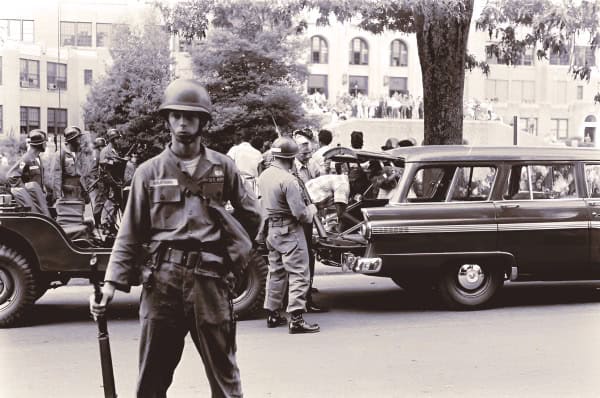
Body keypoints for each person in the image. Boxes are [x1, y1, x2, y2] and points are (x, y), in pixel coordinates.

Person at [90, 78, 262, 397]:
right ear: (167, 120)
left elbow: (252, 216)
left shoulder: (223, 167)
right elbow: (130, 232)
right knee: (152, 379)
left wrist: (229, 254)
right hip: (162, 282)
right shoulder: (149, 172)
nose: (183, 123)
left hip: (210, 279)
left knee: (225, 379)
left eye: (191, 117)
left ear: (202, 123)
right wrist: (111, 284)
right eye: (176, 116)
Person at [257, 136, 321, 333]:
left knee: (276, 272)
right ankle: (297, 318)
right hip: (290, 231)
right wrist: (312, 210)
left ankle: (273, 314)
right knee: (299, 273)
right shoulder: (289, 180)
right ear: (292, 158)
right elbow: (300, 213)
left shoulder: (264, 176)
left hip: (272, 231)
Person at [7, 129, 51, 216]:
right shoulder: (26, 158)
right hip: (32, 202)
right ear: (40, 144)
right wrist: (25, 191)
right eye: (45, 142)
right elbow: (12, 176)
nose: (46, 145)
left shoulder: (37, 158)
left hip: (39, 199)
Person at [52, 126, 87, 203]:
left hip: (79, 192)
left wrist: (85, 191)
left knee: (79, 212)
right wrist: (58, 196)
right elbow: (57, 176)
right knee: (69, 213)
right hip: (67, 193)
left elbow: (82, 174)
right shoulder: (60, 154)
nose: (80, 140)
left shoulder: (79, 153)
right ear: (72, 139)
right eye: (78, 138)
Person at [87, 137, 107, 227]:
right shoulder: (96, 154)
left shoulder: (98, 153)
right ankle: (97, 222)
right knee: (99, 201)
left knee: (101, 201)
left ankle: (99, 222)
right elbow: (92, 169)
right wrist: (95, 178)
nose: (103, 148)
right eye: (102, 146)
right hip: (96, 181)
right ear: (99, 147)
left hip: (98, 180)